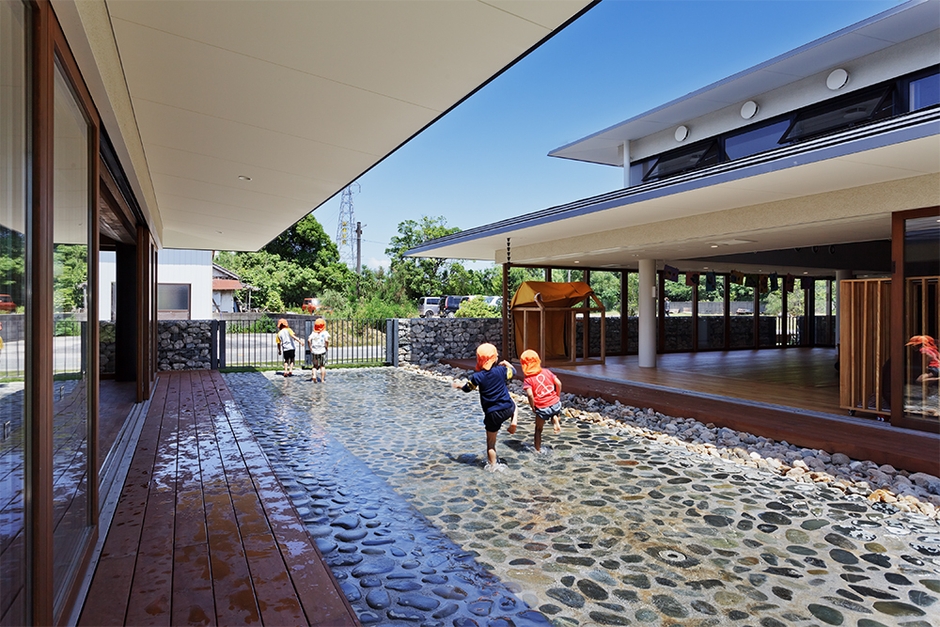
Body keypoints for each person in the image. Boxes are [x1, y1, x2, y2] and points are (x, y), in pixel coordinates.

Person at [451, 343, 518, 471]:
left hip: (492, 414)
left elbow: (467, 388)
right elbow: (513, 372)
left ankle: (493, 467)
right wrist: (507, 364)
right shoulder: (502, 371)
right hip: (507, 409)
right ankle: (513, 421)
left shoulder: (477, 377)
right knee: (513, 403)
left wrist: (459, 386)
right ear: (495, 359)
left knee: (491, 444)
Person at [519, 349, 563, 452]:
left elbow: (530, 394)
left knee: (538, 429)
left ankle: (537, 450)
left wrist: (532, 406)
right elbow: (559, 383)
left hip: (542, 407)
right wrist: (557, 396)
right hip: (556, 404)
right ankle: (555, 418)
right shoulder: (547, 371)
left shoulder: (528, 379)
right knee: (553, 410)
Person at [307, 317, 330, 383]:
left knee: (315, 366)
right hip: (322, 350)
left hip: (314, 351)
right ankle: (322, 380)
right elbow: (326, 340)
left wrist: (310, 347)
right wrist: (326, 347)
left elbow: (309, 340)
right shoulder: (325, 333)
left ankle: (314, 376)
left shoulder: (313, 333)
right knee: (322, 366)